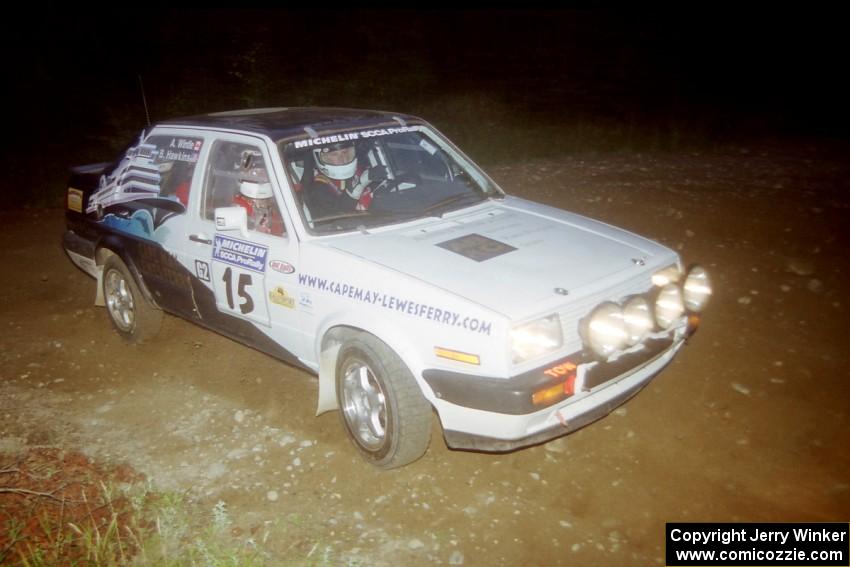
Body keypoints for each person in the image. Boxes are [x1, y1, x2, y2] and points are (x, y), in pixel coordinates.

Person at [306, 141, 382, 216]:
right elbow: (336, 219)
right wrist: (358, 187)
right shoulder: (317, 188)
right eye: (334, 154)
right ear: (321, 158)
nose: (342, 158)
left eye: (345, 152)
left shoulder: (364, 171)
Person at [232, 167, 284, 235]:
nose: (261, 176)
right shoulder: (239, 206)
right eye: (257, 174)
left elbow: (278, 235)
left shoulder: (274, 207)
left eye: (263, 174)